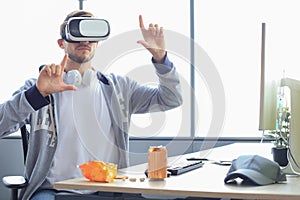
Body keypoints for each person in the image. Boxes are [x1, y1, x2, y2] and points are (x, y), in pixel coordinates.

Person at [0, 10, 182, 200]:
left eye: (90, 35)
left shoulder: (120, 88)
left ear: (97, 42)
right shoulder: (38, 87)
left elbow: (171, 98)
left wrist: (162, 60)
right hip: (53, 191)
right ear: (61, 43)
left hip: (111, 190)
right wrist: (37, 94)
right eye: (77, 34)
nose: (84, 41)